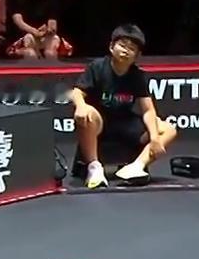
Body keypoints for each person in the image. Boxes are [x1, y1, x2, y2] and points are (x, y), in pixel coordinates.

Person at [70, 24, 178, 188]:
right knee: (87, 115)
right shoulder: (97, 67)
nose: (126, 51)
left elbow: (148, 110)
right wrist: (81, 106)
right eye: (122, 45)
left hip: (126, 124)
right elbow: (77, 92)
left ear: (137, 55)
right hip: (100, 122)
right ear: (111, 47)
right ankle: (94, 168)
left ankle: (137, 167)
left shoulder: (137, 75)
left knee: (168, 129)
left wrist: (155, 138)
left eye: (132, 48)